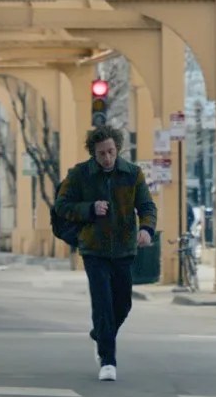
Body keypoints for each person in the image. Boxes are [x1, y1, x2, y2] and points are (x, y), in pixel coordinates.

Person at [53, 125, 157, 382]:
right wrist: (89, 208)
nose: (107, 158)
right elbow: (62, 206)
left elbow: (146, 205)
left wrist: (146, 228)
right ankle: (108, 360)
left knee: (123, 303)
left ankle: (101, 333)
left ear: (117, 149)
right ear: (93, 153)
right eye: (101, 153)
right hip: (94, 249)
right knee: (102, 304)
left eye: (111, 152)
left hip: (124, 248)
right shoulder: (80, 175)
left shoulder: (132, 174)